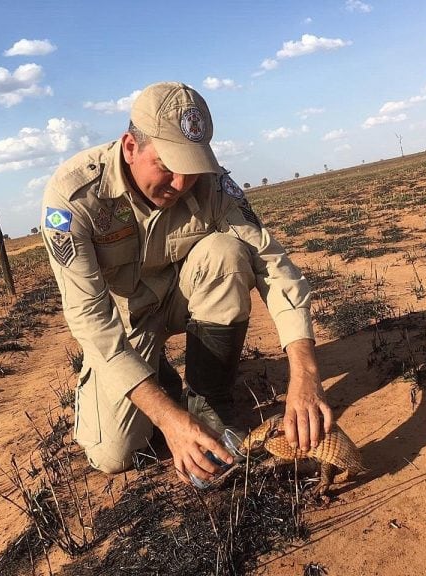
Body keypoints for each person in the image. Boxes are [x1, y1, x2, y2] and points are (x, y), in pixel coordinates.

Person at [41, 81, 332, 487]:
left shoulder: (212, 185)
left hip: (181, 298)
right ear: (130, 147)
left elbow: (274, 266)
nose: (180, 184)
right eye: (166, 165)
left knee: (226, 253)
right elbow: (91, 321)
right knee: (114, 455)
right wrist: (168, 419)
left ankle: (209, 400)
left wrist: (305, 373)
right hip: (126, 323)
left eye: (191, 168)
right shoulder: (74, 198)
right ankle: (154, 374)